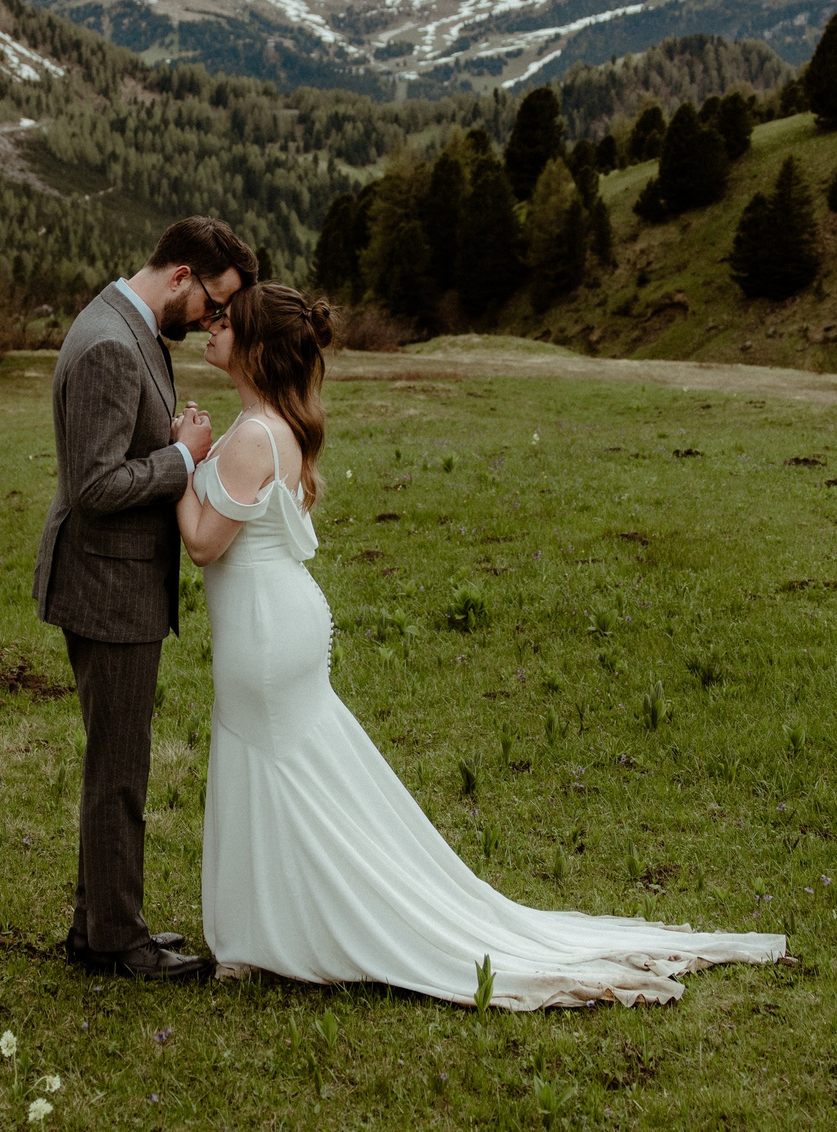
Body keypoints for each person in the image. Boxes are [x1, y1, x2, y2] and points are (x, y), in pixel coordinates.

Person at [180, 283, 789, 1007]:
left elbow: (201, 543)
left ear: (254, 347)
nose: (212, 329)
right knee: (288, 774)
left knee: (276, 769)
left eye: (226, 323)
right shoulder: (268, 423)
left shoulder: (253, 435)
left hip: (263, 626)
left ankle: (286, 931)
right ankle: (266, 930)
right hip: (277, 618)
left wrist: (180, 459)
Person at [35, 216, 257, 980]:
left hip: (116, 580)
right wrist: (180, 456)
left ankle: (98, 924)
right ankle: (116, 944)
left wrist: (166, 441)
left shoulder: (131, 328)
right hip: (106, 585)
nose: (213, 321)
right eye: (213, 304)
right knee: (119, 772)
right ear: (182, 277)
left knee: (117, 764)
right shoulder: (107, 342)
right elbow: (95, 486)